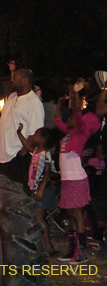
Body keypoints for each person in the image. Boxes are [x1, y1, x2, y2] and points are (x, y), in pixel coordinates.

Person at [54, 79, 107, 264]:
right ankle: (72, 250)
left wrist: (76, 93)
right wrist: (60, 103)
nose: (73, 117)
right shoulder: (69, 133)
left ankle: (81, 251)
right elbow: (56, 120)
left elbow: (77, 111)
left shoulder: (81, 131)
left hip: (76, 178)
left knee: (77, 214)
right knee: (70, 214)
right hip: (68, 179)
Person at [0, 68, 45, 185]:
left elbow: (35, 134)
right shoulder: (12, 97)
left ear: (25, 80)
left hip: (15, 157)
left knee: (14, 192)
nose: (11, 80)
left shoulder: (34, 103)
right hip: (1, 156)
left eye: (15, 77)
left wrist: (21, 154)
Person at [16, 123, 59, 255]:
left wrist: (40, 189)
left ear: (43, 139)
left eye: (36, 134)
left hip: (43, 189)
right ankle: (44, 246)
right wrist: (19, 133)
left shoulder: (45, 154)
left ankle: (48, 247)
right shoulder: (36, 152)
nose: (33, 136)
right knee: (38, 218)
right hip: (37, 189)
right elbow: (27, 146)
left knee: (40, 218)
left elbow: (47, 173)